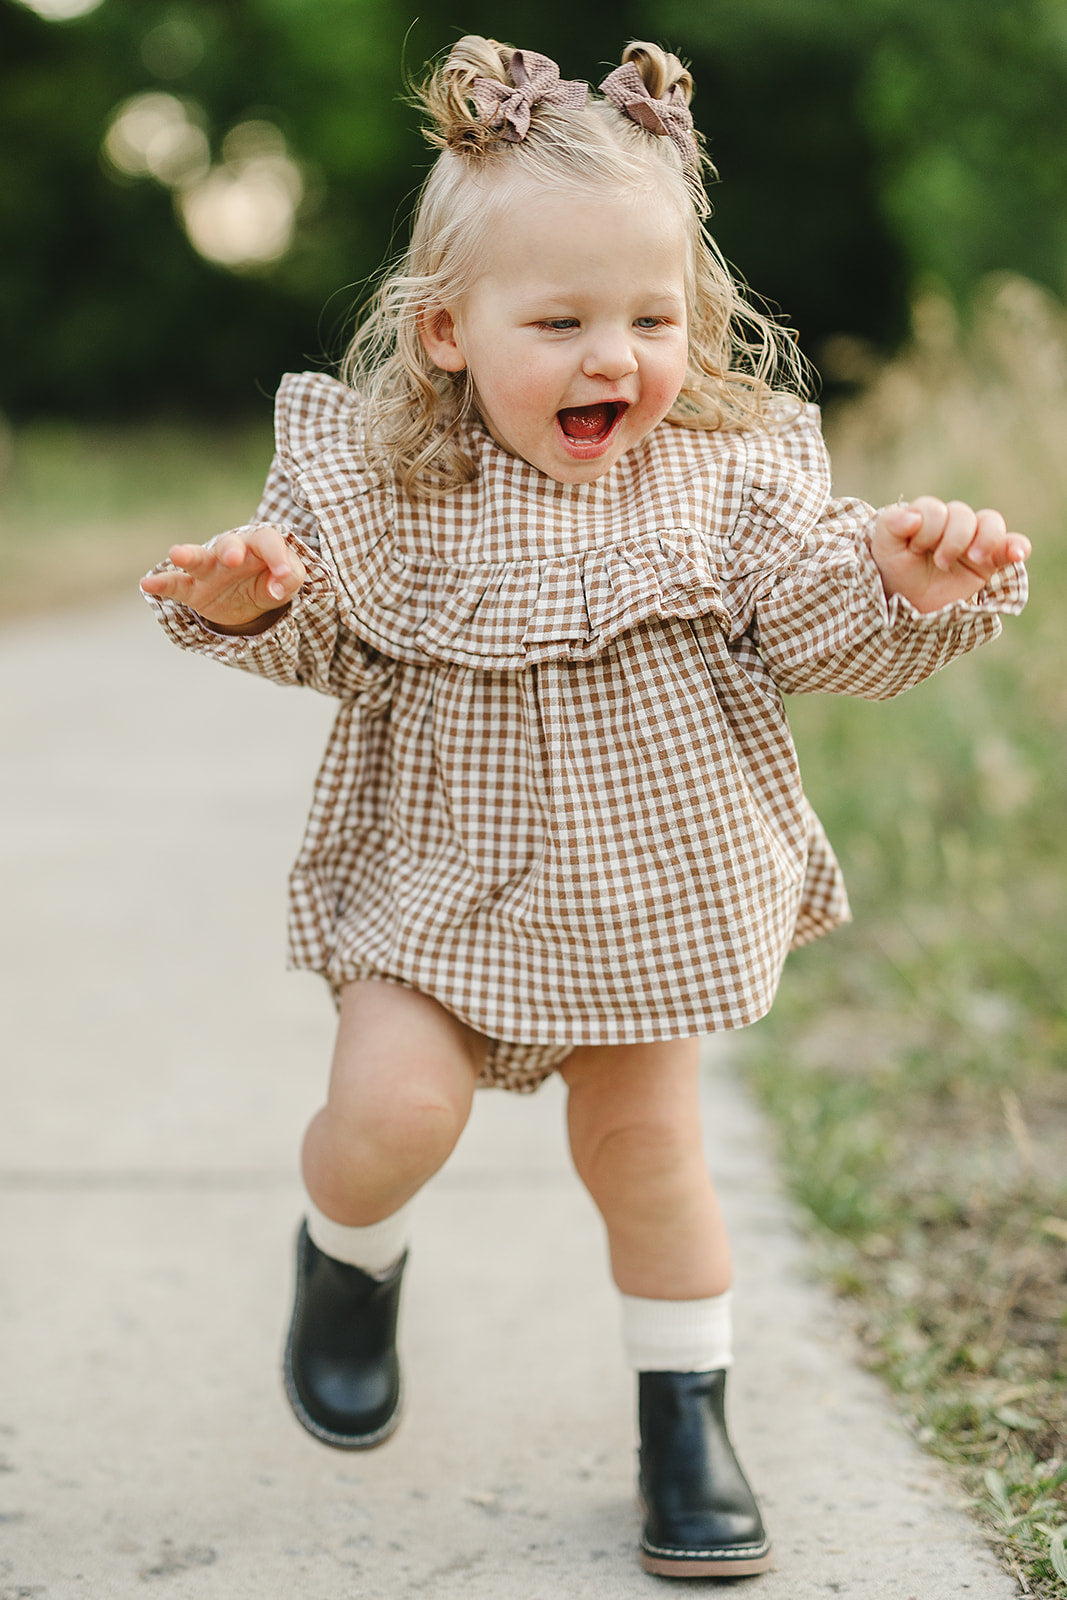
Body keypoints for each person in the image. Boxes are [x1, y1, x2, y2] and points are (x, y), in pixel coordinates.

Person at [141, 36, 1029, 1579]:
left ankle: (688, 1422)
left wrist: (898, 575)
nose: (612, 355)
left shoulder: (731, 482)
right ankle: (347, 1254)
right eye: (557, 321)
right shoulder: (383, 491)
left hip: (648, 894)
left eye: (651, 318)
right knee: (388, 1120)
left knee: (648, 1158)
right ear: (445, 332)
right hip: (439, 882)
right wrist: (247, 601)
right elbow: (322, 636)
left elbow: (817, 622)